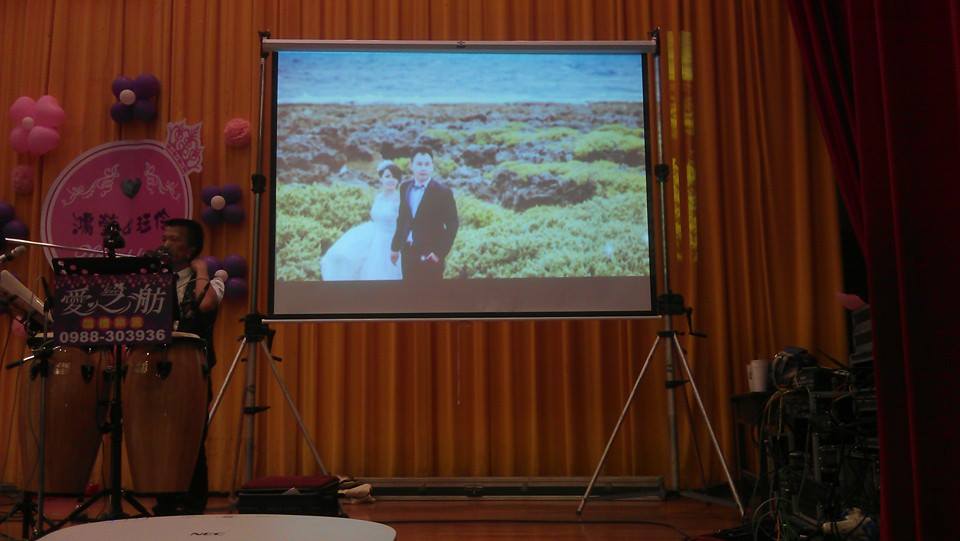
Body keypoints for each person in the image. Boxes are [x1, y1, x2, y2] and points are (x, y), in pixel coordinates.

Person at [153, 218, 223, 515]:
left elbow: (203, 307)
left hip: (192, 368)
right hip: (156, 366)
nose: (165, 244)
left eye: (174, 239)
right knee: (157, 435)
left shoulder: (211, 280)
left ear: (191, 249)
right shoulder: (155, 281)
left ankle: (193, 505)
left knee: (190, 437)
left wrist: (202, 270)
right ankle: (164, 503)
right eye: (164, 238)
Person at [320, 161, 403, 280]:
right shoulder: (379, 197)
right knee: (343, 254)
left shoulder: (399, 200)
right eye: (387, 176)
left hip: (389, 239)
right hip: (373, 233)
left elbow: (404, 223)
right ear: (381, 179)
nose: (391, 180)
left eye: (395, 177)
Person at [390, 147, 459, 280]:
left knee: (431, 292)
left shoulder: (443, 192)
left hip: (430, 255)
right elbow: (402, 219)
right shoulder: (405, 187)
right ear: (411, 166)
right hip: (407, 253)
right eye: (419, 164)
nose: (423, 168)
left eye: (427, 164)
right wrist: (395, 247)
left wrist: (439, 253)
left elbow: (453, 224)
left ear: (432, 166)